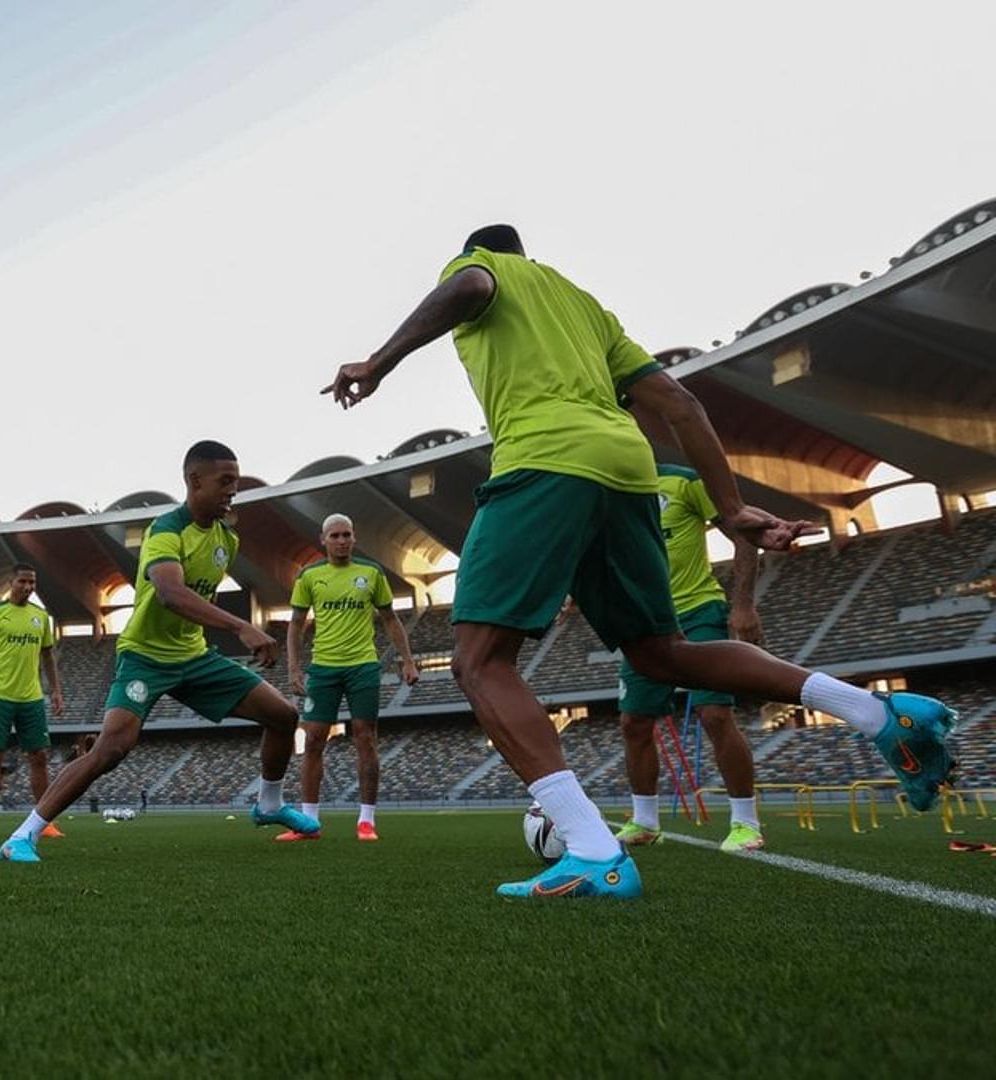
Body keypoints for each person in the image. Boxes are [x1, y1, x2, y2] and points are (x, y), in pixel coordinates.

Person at [325, 224, 956, 899]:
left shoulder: (485, 270)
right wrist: (730, 506)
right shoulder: (588, 309)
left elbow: (471, 285)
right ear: (529, 255)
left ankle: (594, 849)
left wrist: (380, 361)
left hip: (544, 461)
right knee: (663, 654)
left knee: (480, 660)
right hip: (629, 473)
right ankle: (880, 714)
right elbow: (680, 404)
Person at [0, 440, 318, 863]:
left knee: (283, 716)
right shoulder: (165, 530)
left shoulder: (227, 539)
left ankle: (270, 805)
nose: (232, 490)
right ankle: (22, 836)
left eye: (236, 481)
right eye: (225, 481)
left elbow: (196, 597)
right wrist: (242, 626)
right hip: (145, 657)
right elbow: (170, 593)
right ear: (194, 481)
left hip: (193, 657)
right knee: (111, 747)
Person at [614, 464, 767, 853]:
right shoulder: (607, 490)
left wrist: (744, 604)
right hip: (643, 621)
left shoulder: (683, 480)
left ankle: (745, 823)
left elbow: (745, 533)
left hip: (700, 610)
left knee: (715, 715)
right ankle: (645, 822)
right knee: (634, 722)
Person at [281, 513, 419, 842]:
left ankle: (366, 821)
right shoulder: (310, 575)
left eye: (347, 535)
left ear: (354, 538)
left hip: (363, 666)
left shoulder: (370, 573)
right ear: (323, 539)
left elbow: (390, 619)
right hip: (323, 668)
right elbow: (296, 624)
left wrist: (408, 660)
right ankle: (308, 823)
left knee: (365, 737)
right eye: (335, 536)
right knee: (313, 739)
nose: (342, 541)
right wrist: (294, 667)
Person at [0, 563, 66, 840]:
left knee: (39, 757)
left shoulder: (40, 617)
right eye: (23, 581)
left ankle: (44, 821)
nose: (28, 587)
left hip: (32, 698)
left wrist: (56, 690)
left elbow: (48, 655)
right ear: (10, 582)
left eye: (32, 583)